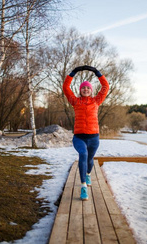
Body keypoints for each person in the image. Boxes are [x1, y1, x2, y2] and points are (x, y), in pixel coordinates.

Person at [63, 65, 109, 201]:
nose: (86, 89)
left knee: (90, 160)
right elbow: (66, 88)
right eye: (83, 87)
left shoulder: (96, 101)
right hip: (79, 137)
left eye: (88, 87)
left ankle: (88, 173)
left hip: (94, 137)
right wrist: (73, 72)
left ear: (91, 90)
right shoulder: (75, 101)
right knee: (83, 154)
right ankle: (83, 186)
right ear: (80, 90)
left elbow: (105, 87)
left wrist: (97, 73)